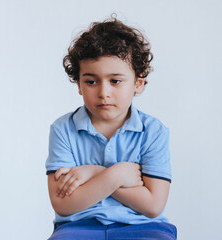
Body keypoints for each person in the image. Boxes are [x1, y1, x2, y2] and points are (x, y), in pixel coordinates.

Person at [45, 16, 177, 240]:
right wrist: (117, 174)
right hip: (79, 228)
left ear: (138, 83)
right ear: (78, 84)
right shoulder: (63, 129)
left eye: (115, 81)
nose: (104, 92)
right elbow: (64, 204)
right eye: (91, 81)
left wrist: (93, 173)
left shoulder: (154, 131)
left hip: (143, 227)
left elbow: (153, 206)